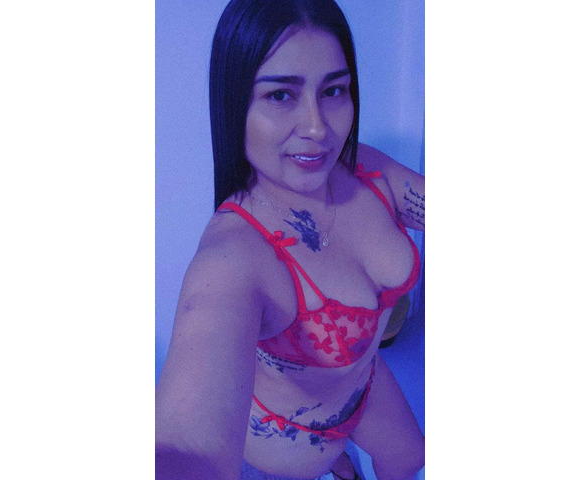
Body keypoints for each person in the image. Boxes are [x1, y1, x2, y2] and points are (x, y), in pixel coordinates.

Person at [155, 0, 425, 478]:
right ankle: (338, 461)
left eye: (333, 90)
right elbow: (187, 444)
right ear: (234, 104)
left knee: (411, 456)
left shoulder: (365, 169)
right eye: (281, 95)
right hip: (295, 437)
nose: (318, 128)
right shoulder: (233, 258)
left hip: (364, 382)